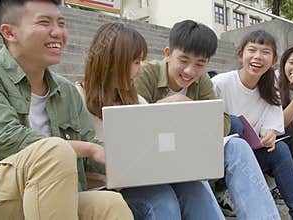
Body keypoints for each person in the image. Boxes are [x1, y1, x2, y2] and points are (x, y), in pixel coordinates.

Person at [0, 0, 133, 219]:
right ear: (9, 32)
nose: (58, 32)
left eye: (61, 23)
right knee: (55, 151)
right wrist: (88, 148)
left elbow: (92, 152)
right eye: (44, 22)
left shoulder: (66, 91)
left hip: (56, 194)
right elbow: (3, 138)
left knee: (109, 204)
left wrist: (132, 158)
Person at [76, 22, 226, 220]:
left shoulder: (137, 101)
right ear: (113, 61)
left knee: (195, 188)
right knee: (164, 202)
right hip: (101, 190)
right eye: (136, 62)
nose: (140, 71)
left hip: (137, 182)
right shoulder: (77, 96)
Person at [134, 20, 280, 219]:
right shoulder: (145, 74)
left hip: (189, 154)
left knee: (237, 146)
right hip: (153, 159)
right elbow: (133, 126)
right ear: (168, 54)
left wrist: (192, 110)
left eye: (199, 64)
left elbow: (223, 123)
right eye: (183, 60)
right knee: (189, 191)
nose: (190, 71)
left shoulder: (202, 81)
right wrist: (169, 104)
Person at [211, 30, 293, 220]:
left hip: (246, 161)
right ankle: (221, 191)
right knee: (234, 124)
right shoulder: (219, 84)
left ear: (274, 60)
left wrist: (269, 134)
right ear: (241, 54)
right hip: (216, 162)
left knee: (280, 149)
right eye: (252, 50)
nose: (258, 57)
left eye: (265, 52)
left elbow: (273, 124)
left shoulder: (270, 89)